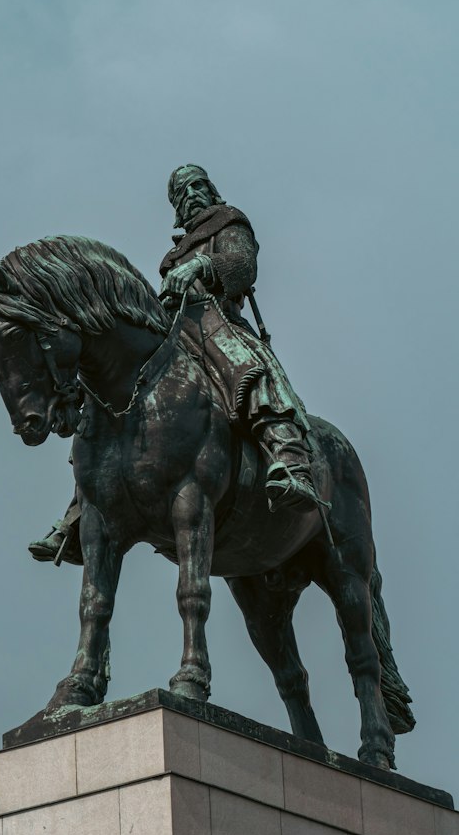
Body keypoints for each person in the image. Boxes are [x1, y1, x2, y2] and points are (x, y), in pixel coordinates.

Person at [29, 164, 326, 565]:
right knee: (108, 403)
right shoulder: (175, 253)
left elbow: (243, 265)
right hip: (174, 329)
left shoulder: (229, 221)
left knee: (248, 370)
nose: (192, 194)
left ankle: (290, 460)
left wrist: (205, 267)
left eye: (198, 185)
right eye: (182, 191)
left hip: (218, 321)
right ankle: (79, 512)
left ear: (212, 188)